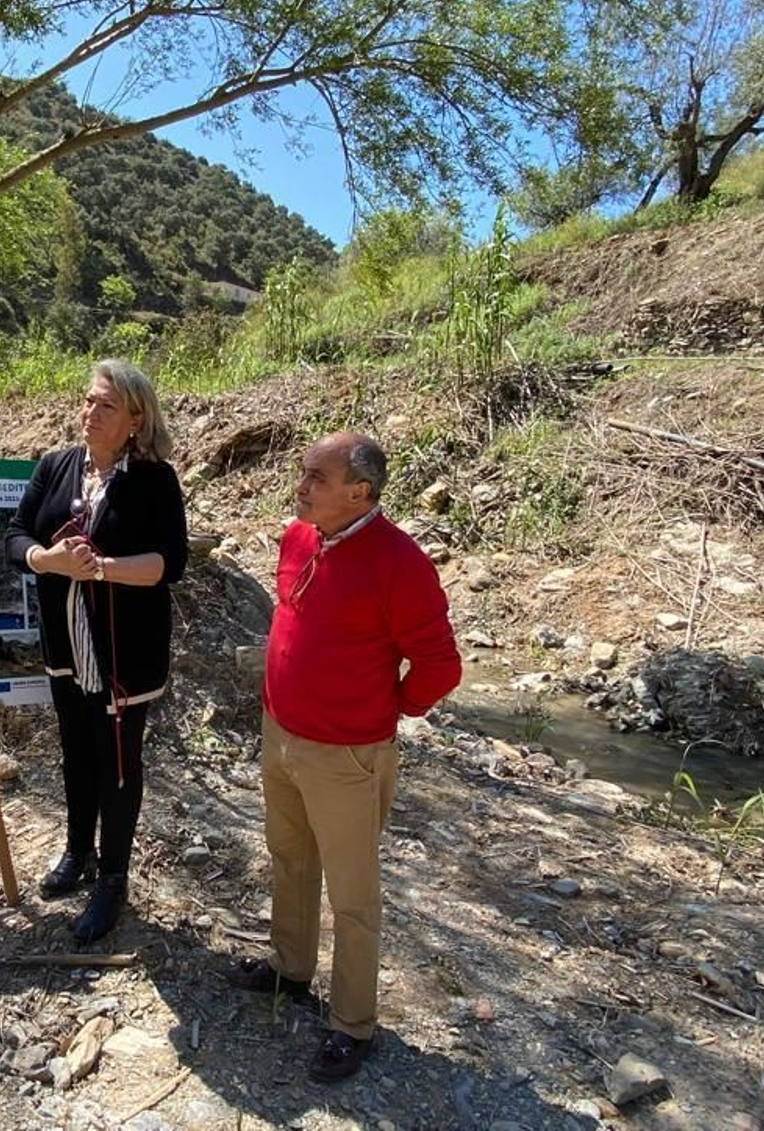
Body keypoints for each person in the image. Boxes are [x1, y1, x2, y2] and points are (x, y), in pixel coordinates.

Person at [228, 431, 461, 1082]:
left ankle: (353, 1023)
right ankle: (289, 968)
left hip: (347, 755)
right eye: (302, 473)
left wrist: (386, 712)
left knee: (353, 895)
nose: (300, 487)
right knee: (289, 857)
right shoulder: (299, 537)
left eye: (317, 478)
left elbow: (441, 666)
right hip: (281, 735)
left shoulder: (401, 562)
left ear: (360, 493)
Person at [5, 360, 188, 944]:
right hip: (67, 646)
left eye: (105, 406)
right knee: (76, 752)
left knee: (117, 762)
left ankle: (113, 879)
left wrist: (103, 570)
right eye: (87, 401)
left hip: (125, 654)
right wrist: (47, 561)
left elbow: (169, 564)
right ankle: (78, 849)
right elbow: (16, 535)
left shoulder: (155, 481)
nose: (90, 413)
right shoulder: (55, 467)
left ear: (136, 420)